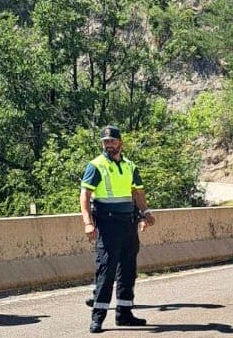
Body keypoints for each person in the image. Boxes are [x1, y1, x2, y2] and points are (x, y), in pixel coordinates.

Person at [80, 125, 155, 333]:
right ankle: (97, 318)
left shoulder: (130, 166)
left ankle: (124, 314)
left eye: (112, 141)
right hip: (107, 225)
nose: (109, 145)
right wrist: (88, 222)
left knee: (128, 271)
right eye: (105, 142)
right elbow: (85, 196)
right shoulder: (96, 165)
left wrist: (145, 212)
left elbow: (137, 192)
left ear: (120, 142)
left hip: (128, 224)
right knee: (106, 271)